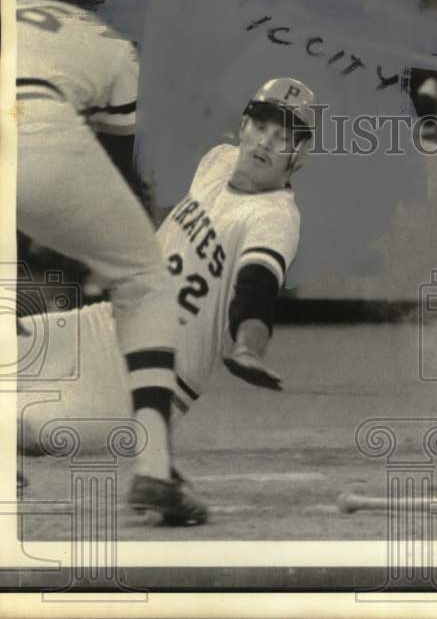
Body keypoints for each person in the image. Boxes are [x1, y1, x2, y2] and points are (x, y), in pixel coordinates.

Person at [19, 77, 313, 523]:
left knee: (24, 425)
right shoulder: (217, 161)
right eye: (263, 125)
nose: (268, 141)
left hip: (148, 386)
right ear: (244, 125)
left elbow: (256, 288)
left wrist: (249, 347)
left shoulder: (275, 219)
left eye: (285, 136)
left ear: (299, 156)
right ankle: (163, 474)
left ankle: (155, 466)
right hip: (104, 327)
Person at [15, 0, 199, 522]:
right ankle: (153, 467)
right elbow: (121, 167)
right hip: (40, 127)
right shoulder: (101, 37)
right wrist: (112, 258)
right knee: (145, 282)